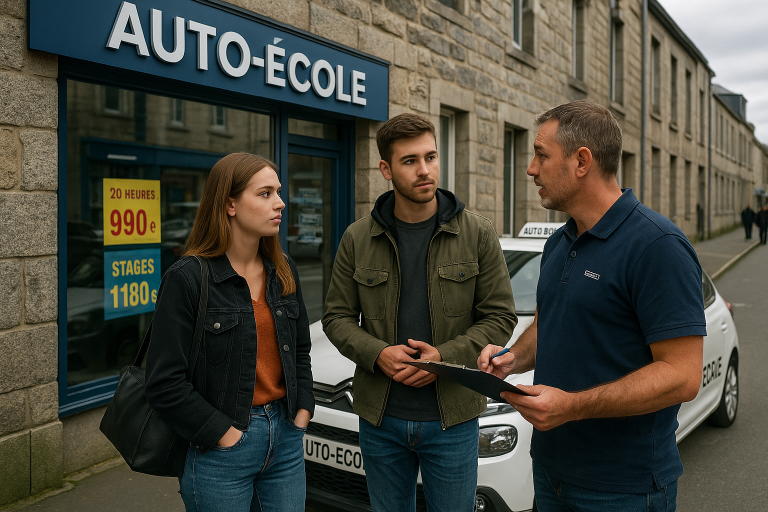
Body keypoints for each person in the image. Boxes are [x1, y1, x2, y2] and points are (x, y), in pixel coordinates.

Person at [478, 100, 705, 512]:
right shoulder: (558, 242)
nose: (530, 169)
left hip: (624, 488)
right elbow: (553, 323)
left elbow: (683, 376)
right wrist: (511, 358)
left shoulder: (658, 247)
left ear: (581, 161)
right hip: (550, 472)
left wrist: (572, 406)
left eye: (541, 155)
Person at [322, 113, 517, 512]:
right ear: (386, 169)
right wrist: (378, 353)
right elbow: (336, 318)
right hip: (381, 419)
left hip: (453, 417)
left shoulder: (477, 233)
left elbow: (500, 317)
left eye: (431, 157)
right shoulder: (358, 238)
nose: (425, 170)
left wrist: (443, 358)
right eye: (410, 161)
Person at [145, 153, 314, 512]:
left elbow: (300, 351)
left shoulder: (284, 271)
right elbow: (163, 381)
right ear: (230, 205)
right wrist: (225, 434)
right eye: (265, 193)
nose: (280, 203)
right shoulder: (188, 278)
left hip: (285, 438)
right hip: (221, 449)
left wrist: (303, 411)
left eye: (278, 192)